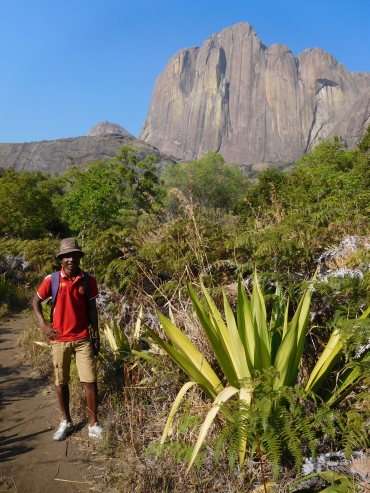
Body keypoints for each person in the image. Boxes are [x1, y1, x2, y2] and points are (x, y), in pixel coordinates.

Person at [33, 238, 103, 440]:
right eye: (66, 256)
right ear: (61, 259)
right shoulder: (52, 280)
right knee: (61, 382)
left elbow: (92, 309)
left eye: (74, 255)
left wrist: (95, 335)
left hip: (82, 338)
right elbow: (36, 302)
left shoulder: (88, 281)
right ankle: (66, 422)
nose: (71, 259)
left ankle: (93, 425)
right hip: (59, 339)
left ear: (80, 257)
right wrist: (44, 326)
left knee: (90, 381)